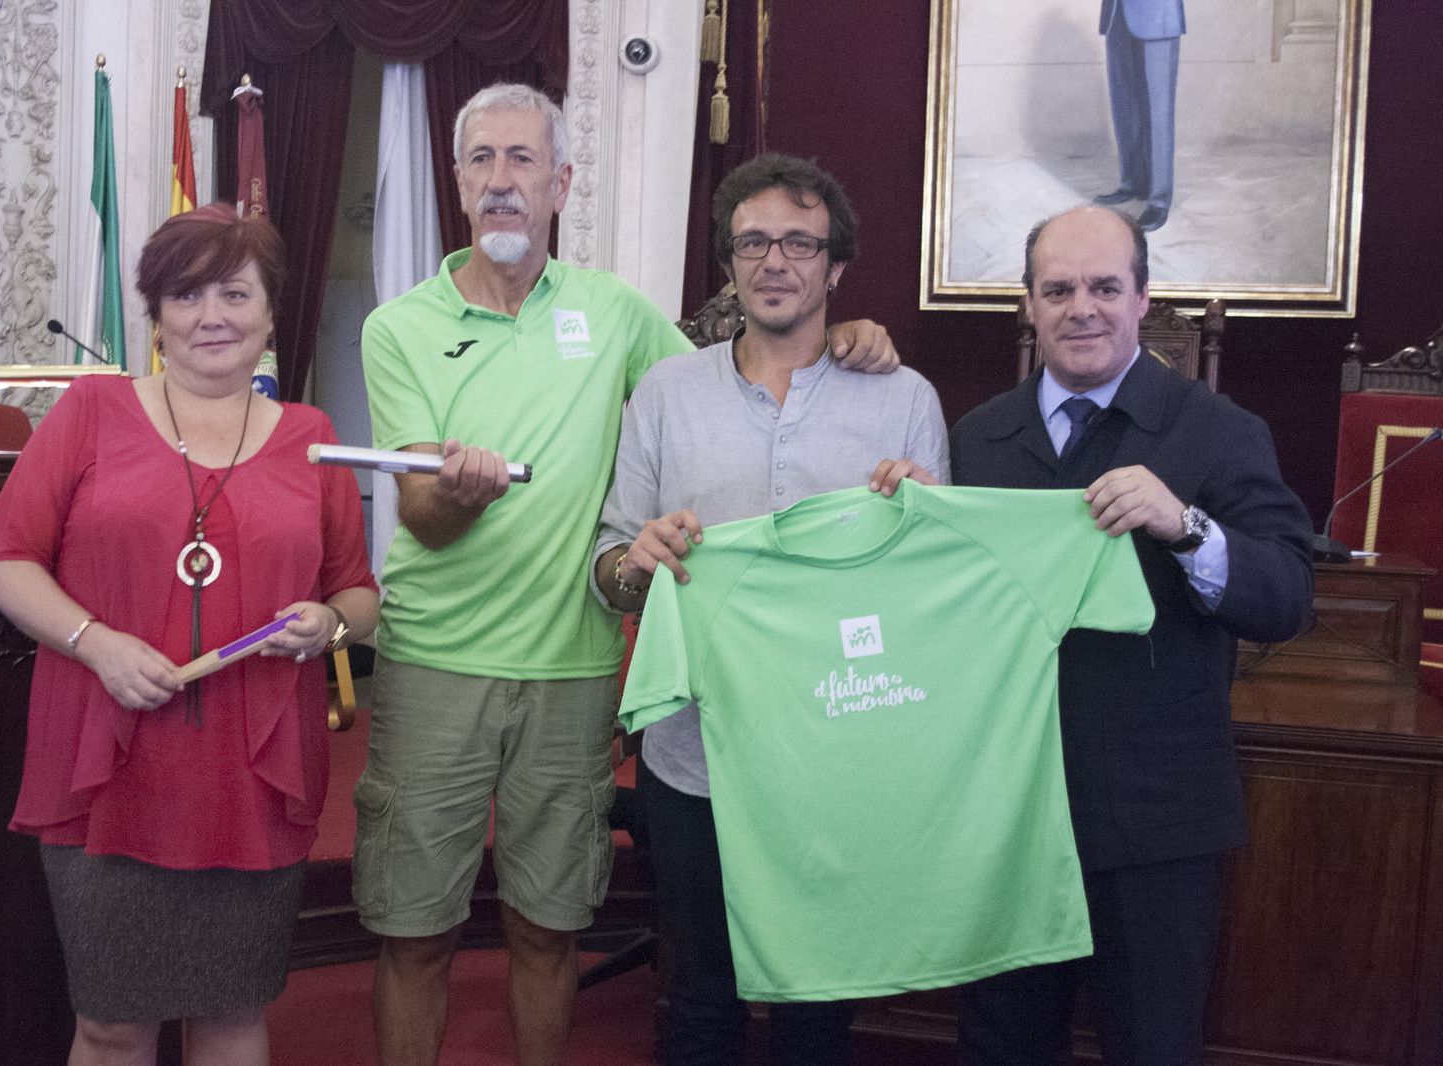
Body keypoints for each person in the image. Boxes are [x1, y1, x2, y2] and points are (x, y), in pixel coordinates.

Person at [356, 84, 900, 1066]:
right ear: (458, 180)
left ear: (561, 183)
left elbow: (727, 383)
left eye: (523, 159)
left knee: (549, 927)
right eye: (481, 159)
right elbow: (425, 520)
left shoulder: (613, 314)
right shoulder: (396, 326)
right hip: (434, 665)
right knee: (414, 932)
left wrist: (844, 341)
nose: (501, 181)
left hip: (575, 669)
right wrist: (461, 492)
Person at [0, 203, 380, 1066]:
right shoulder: (91, 410)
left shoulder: (313, 439)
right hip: (108, 764)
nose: (212, 316)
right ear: (156, 315)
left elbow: (358, 594)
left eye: (236, 293)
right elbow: (4, 564)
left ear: (270, 313)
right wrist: (97, 642)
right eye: (187, 295)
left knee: (231, 1014)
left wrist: (328, 626)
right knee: (111, 1025)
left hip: (251, 775)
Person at [590, 153, 948, 1066]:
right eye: (753, 243)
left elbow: (935, 593)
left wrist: (925, 521)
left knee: (818, 1006)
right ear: (729, 263)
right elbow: (609, 568)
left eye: (799, 243)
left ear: (836, 267)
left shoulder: (904, 400)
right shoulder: (666, 394)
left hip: (843, 755)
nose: (774, 261)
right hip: (694, 756)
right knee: (698, 999)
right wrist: (635, 562)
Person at [951, 205, 1313, 1064]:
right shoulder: (977, 438)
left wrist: (1187, 526)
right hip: (1009, 815)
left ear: (1143, 298)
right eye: (1058, 290)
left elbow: (1286, 598)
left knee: (1153, 1045)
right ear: (1028, 305)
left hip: (1157, 823)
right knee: (1002, 1044)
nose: (1082, 308)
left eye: (1105, 287)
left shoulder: (1218, 430)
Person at [1093, 0, 1185, 231]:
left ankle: (1159, 200)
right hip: (1116, 15)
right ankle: (1132, 183)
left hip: (1158, 17)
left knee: (1159, 114)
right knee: (1124, 108)